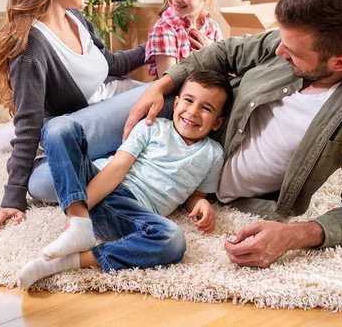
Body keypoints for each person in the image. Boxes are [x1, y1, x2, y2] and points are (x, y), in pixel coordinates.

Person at [123, 0, 342, 268]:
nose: (277, 51)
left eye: (291, 52)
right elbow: (225, 52)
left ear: (339, 63)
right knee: (82, 130)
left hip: (203, 183)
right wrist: (161, 85)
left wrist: (294, 235)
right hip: (187, 115)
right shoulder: (297, 36)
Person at [0, 0, 151, 233]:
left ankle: (114, 162)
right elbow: (29, 124)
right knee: (42, 184)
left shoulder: (76, 20)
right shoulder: (31, 46)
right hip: (78, 126)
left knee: (174, 98)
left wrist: (153, 49)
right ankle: (122, 160)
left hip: (115, 103)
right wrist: (13, 197)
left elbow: (111, 64)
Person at [16, 70, 233, 289]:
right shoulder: (152, 127)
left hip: (131, 213)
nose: (193, 112)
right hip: (99, 183)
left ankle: (68, 262)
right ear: (176, 104)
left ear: (217, 122)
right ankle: (79, 224)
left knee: (173, 240)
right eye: (188, 100)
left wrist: (201, 203)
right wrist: (78, 215)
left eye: (206, 108)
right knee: (58, 126)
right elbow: (117, 168)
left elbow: (194, 195)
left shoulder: (213, 154)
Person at [145, 0, 223, 78]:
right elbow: (169, 83)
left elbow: (227, 68)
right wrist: (210, 58)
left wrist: (213, 53)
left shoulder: (212, 27)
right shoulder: (163, 30)